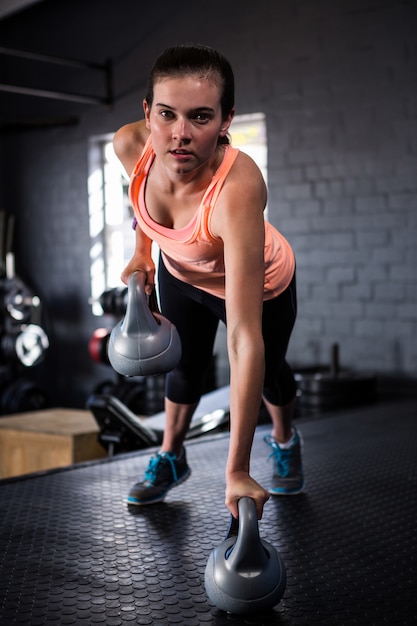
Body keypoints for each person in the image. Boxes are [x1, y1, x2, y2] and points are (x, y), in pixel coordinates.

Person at [114, 43, 303, 520]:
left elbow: (242, 336)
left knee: (269, 370)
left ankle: (283, 439)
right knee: (185, 366)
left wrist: (236, 469)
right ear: (147, 113)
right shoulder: (131, 145)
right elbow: (141, 209)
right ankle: (172, 457)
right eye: (166, 115)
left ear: (225, 120)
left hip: (259, 282)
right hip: (181, 271)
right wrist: (142, 256)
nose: (179, 135)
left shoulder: (237, 189)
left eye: (200, 117)